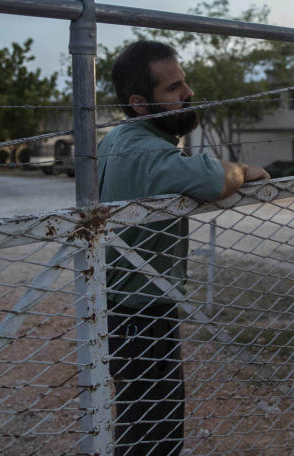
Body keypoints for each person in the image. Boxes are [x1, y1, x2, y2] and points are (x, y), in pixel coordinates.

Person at [97, 39, 270, 456]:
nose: (188, 93)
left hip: (121, 305)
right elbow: (214, 180)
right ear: (140, 103)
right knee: (155, 430)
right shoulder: (148, 154)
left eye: (184, 82)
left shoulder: (114, 141)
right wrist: (244, 169)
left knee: (140, 421)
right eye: (173, 88)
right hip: (141, 311)